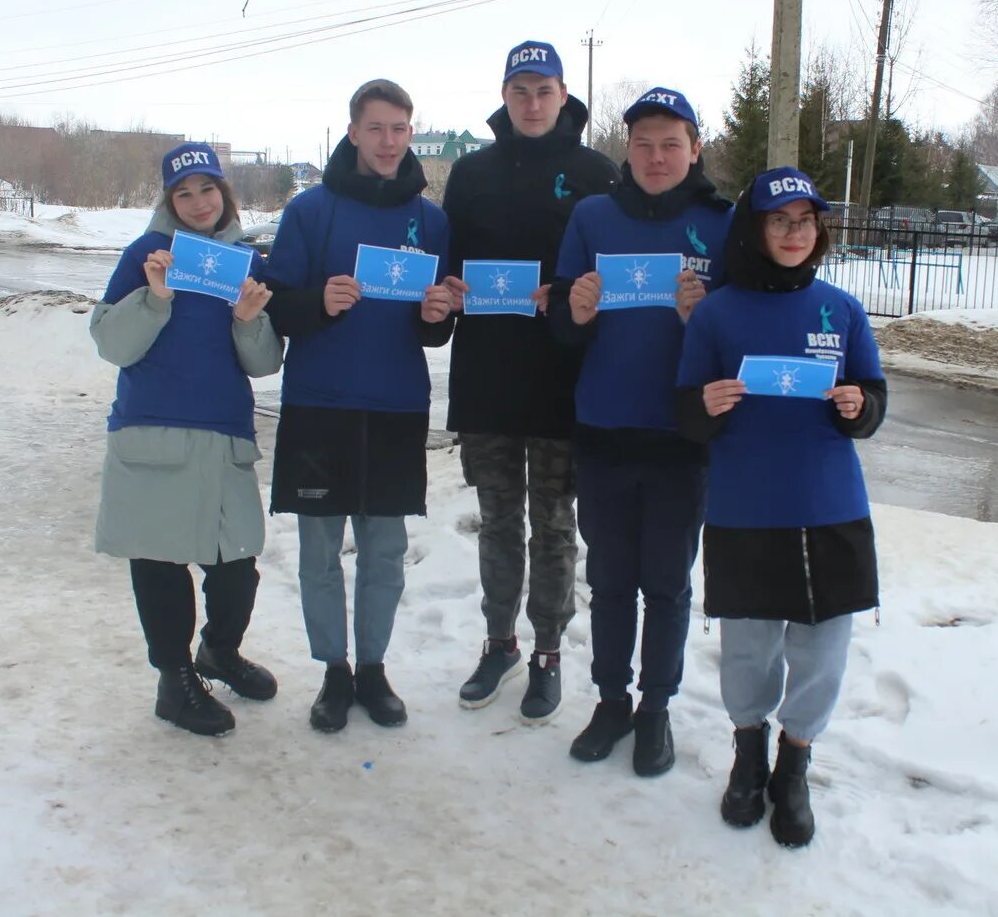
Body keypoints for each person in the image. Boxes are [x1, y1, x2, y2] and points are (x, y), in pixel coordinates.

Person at [675, 166, 887, 848]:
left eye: (805, 221)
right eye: (779, 220)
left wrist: (860, 407)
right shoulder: (716, 312)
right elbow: (686, 409)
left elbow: (873, 397)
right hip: (746, 507)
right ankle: (747, 755)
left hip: (830, 505)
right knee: (750, 647)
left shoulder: (844, 309)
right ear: (755, 229)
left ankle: (793, 765)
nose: (794, 233)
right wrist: (702, 406)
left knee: (823, 649)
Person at [550, 87, 733, 776]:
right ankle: (609, 701)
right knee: (611, 580)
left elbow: (744, 328)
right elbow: (563, 329)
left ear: (695, 149)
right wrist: (577, 305)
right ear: (627, 150)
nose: (657, 157)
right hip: (604, 427)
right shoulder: (593, 217)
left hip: (682, 436)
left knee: (667, 583)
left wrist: (707, 312)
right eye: (644, 144)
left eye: (671, 144)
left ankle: (656, 708)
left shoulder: (722, 223)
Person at [261, 79, 453, 734]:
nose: (389, 141)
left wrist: (436, 315)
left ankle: (372, 667)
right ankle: (334, 670)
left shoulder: (430, 220)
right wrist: (318, 301)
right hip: (320, 404)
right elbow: (277, 303)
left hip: (396, 405)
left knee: (384, 550)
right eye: (376, 128)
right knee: (319, 552)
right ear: (352, 132)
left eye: (400, 128)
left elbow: (434, 325)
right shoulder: (311, 212)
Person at [441, 40, 618, 723]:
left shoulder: (596, 173)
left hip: (561, 379)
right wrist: (449, 288)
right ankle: (498, 642)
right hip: (486, 376)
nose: (533, 103)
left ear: (564, 94)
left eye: (544, 90)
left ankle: (548, 652)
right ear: (504, 95)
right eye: (520, 90)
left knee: (552, 523)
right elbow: (446, 265)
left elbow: (611, 274)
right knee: (497, 522)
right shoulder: (471, 173)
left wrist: (571, 294)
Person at [91, 141, 284, 737]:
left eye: (208, 190)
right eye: (184, 192)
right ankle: (174, 681)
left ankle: (218, 652)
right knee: (160, 560)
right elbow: (112, 345)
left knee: (237, 567)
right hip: (153, 433)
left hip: (223, 436)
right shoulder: (147, 255)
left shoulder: (245, 264)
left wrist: (247, 321)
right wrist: (156, 297)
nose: (198, 203)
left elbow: (265, 361)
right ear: (169, 201)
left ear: (224, 195)